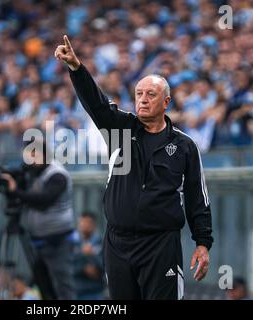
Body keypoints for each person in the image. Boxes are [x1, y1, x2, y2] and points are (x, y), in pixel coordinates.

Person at [55, 35, 213, 300]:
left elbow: (198, 199)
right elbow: (96, 103)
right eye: (139, 94)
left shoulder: (185, 146)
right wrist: (76, 68)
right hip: (118, 243)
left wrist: (203, 243)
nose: (143, 99)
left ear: (166, 102)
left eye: (151, 94)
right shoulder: (120, 128)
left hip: (161, 245)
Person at [1, 139, 77, 300]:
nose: (32, 158)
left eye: (36, 153)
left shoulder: (57, 174)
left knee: (63, 286)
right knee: (43, 285)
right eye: (29, 154)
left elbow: (43, 200)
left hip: (58, 240)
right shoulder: (32, 172)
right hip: (38, 240)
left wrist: (16, 191)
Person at [74, 212, 106, 300]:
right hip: (77, 291)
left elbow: (106, 266)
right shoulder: (72, 244)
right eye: (83, 222)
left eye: (88, 222)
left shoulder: (101, 243)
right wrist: (83, 268)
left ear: (94, 225)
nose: (85, 225)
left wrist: (92, 255)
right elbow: (67, 267)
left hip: (96, 291)